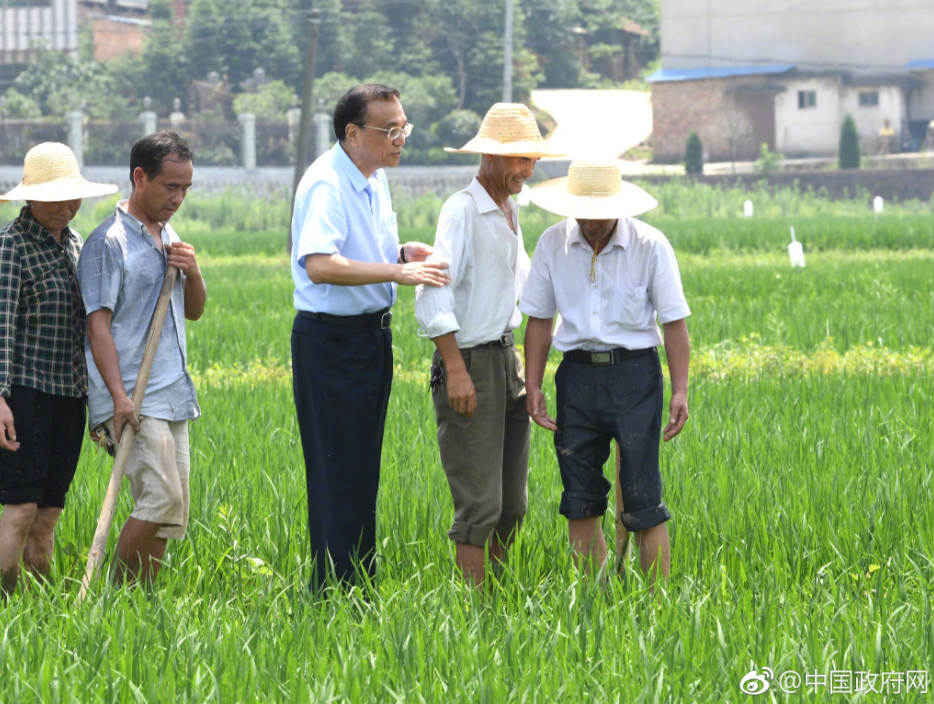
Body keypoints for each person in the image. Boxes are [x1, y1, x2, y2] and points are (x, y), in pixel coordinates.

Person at [291, 84, 450, 594]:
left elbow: (364, 250)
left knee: (360, 469)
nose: (401, 137)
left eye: (404, 126)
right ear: (353, 133)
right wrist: (394, 273)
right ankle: (335, 592)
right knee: (338, 470)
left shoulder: (372, 176)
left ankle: (357, 585)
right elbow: (320, 264)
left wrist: (402, 254)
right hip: (332, 343)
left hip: (369, 340)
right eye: (390, 129)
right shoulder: (326, 184)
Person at [519, 160, 691, 587]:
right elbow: (539, 320)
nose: (591, 223)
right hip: (576, 379)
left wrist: (680, 390)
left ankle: (659, 606)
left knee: (642, 497)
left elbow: (674, 323)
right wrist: (534, 385)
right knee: (580, 498)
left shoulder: (650, 245)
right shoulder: (553, 243)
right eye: (582, 212)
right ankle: (593, 604)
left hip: (636, 379)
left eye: (601, 213)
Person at [415, 103, 565, 588]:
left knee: (512, 505)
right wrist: (454, 368)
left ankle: (497, 600)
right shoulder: (462, 209)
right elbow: (431, 287)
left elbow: (528, 286)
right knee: (480, 504)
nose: (527, 171)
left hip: (506, 360)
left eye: (533, 162)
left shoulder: (509, 210)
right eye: (520, 160)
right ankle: (473, 613)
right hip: (471, 362)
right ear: (490, 157)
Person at [78, 131, 205, 585]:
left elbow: (193, 310)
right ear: (139, 177)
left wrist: (193, 272)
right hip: (132, 394)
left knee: (172, 512)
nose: (179, 198)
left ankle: (140, 602)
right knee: (160, 498)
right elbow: (98, 327)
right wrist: (118, 398)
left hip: (172, 392)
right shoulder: (107, 242)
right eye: (171, 186)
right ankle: (116, 593)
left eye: (186, 188)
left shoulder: (170, 236)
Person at [0, 143, 117, 597]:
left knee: (48, 514)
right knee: (21, 508)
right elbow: (2, 325)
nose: (66, 208)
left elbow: (90, 328)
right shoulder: (11, 247)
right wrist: (2, 398)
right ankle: (6, 606)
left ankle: (37, 611)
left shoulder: (73, 244)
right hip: (25, 395)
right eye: (55, 199)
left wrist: (98, 402)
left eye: (73, 198)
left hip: (70, 396)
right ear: (29, 197)